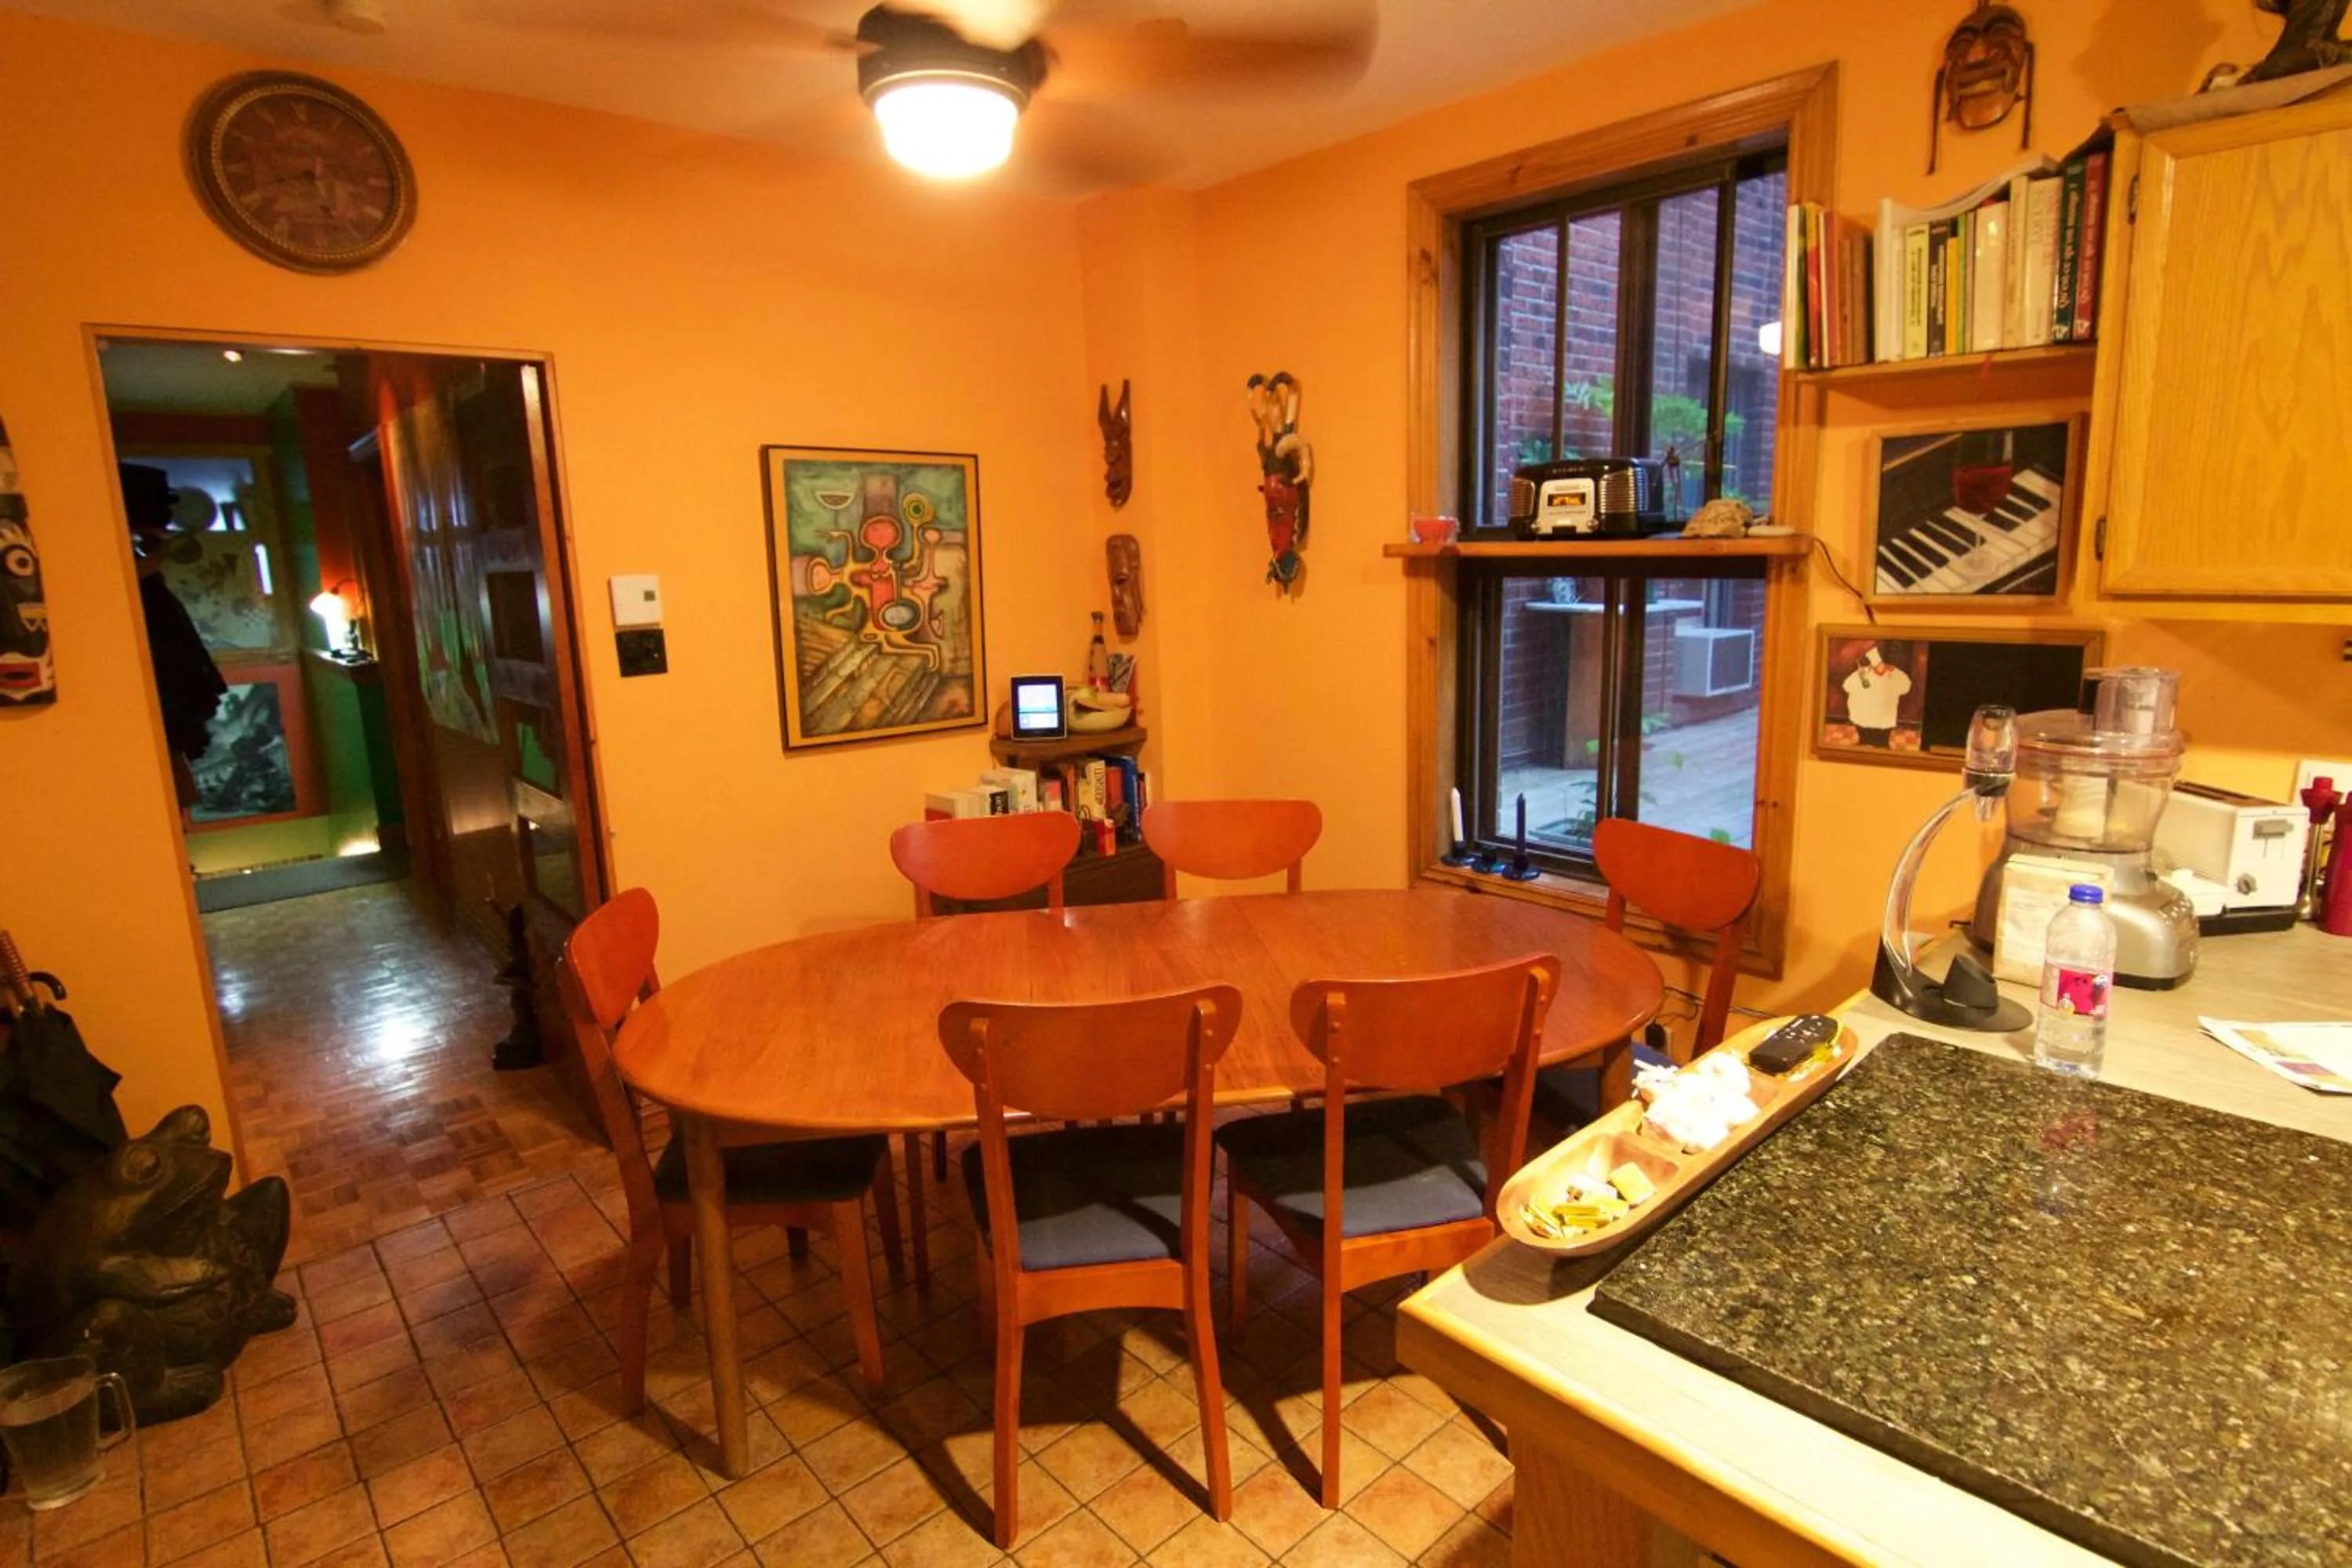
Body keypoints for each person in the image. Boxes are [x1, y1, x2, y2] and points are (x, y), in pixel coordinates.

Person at [119, 463, 227, 808]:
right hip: (159, 697)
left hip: (168, 697)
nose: (157, 552)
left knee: (176, 779)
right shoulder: (133, 592)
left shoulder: (149, 590)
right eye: (146, 542)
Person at [1842, 643, 1912, 749]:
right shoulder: (1863, 674)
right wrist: (1860, 675)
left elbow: (1906, 686)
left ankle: (1880, 748)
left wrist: (1894, 671)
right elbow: (1846, 686)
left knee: (1881, 742)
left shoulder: (1893, 675)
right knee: (1866, 739)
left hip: (1882, 721)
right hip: (1863, 719)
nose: (1880, 669)